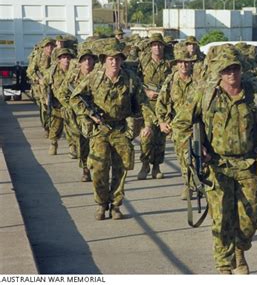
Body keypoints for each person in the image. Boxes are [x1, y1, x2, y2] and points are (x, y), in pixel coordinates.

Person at [173, 48, 257, 274]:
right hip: (217, 165)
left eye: (235, 68)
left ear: (241, 70)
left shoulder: (255, 95)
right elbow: (180, 124)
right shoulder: (205, 94)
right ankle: (224, 266)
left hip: (248, 165)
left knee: (249, 218)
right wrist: (195, 149)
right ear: (219, 73)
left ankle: (239, 250)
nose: (232, 74)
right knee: (221, 217)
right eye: (226, 70)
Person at [70, 39, 155, 220]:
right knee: (99, 167)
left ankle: (116, 205)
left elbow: (143, 102)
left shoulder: (130, 78)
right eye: (110, 59)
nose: (114, 62)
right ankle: (101, 203)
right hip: (100, 129)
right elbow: (75, 98)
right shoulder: (94, 77)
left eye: (117, 59)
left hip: (120, 129)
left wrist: (148, 124)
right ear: (103, 60)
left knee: (120, 169)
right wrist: (89, 114)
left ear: (122, 60)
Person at [155, 43, 197, 200]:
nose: (183, 65)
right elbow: (161, 102)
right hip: (179, 128)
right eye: (180, 62)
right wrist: (161, 121)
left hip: (198, 125)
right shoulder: (171, 80)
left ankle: (198, 183)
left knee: (199, 157)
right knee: (184, 159)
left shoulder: (199, 80)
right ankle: (189, 185)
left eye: (186, 62)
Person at [56, 48, 97, 181]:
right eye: (84, 60)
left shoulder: (99, 75)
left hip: (96, 115)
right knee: (82, 142)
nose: (87, 62)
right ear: (79, 62)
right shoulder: (73, 75)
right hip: (78, 116)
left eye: (90, 59)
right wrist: (71, 106)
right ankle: (85, 169)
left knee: (97, 142)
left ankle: (98, 168)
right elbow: (61, 93)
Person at [137, 33, 172, 180]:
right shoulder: (143, 62)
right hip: (147, 104)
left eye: (159, 45)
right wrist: (146, 91)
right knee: (147, 134)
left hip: (163, 104)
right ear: (150, 47)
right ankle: (145, 164)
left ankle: (156, 166)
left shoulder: (169, 63)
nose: (157, 48)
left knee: (160, 137)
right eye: (154, 45)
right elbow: (136, 80)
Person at [45, 48, 76, 156]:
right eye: (63, 57)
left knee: (71, 127)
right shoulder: (52, 71)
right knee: (55, 127)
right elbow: (44, 84)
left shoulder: (74, 71)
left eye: (68, 57)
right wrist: (46, 97)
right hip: (56, 104)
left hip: (70, 105)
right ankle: (53, 143)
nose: (66, 60)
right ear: (59, 60)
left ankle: (72, 147)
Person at [26, 37, 56, 137]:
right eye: (47, 46)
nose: (50, 48)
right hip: (40, 88)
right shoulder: (38, 57)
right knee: (44, 108)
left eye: (52, 46)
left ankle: (54, 127)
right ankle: (46, 127)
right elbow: (30, 71)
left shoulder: (56, 56)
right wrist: (38, 80)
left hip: (54, 85)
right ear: (43, 47)